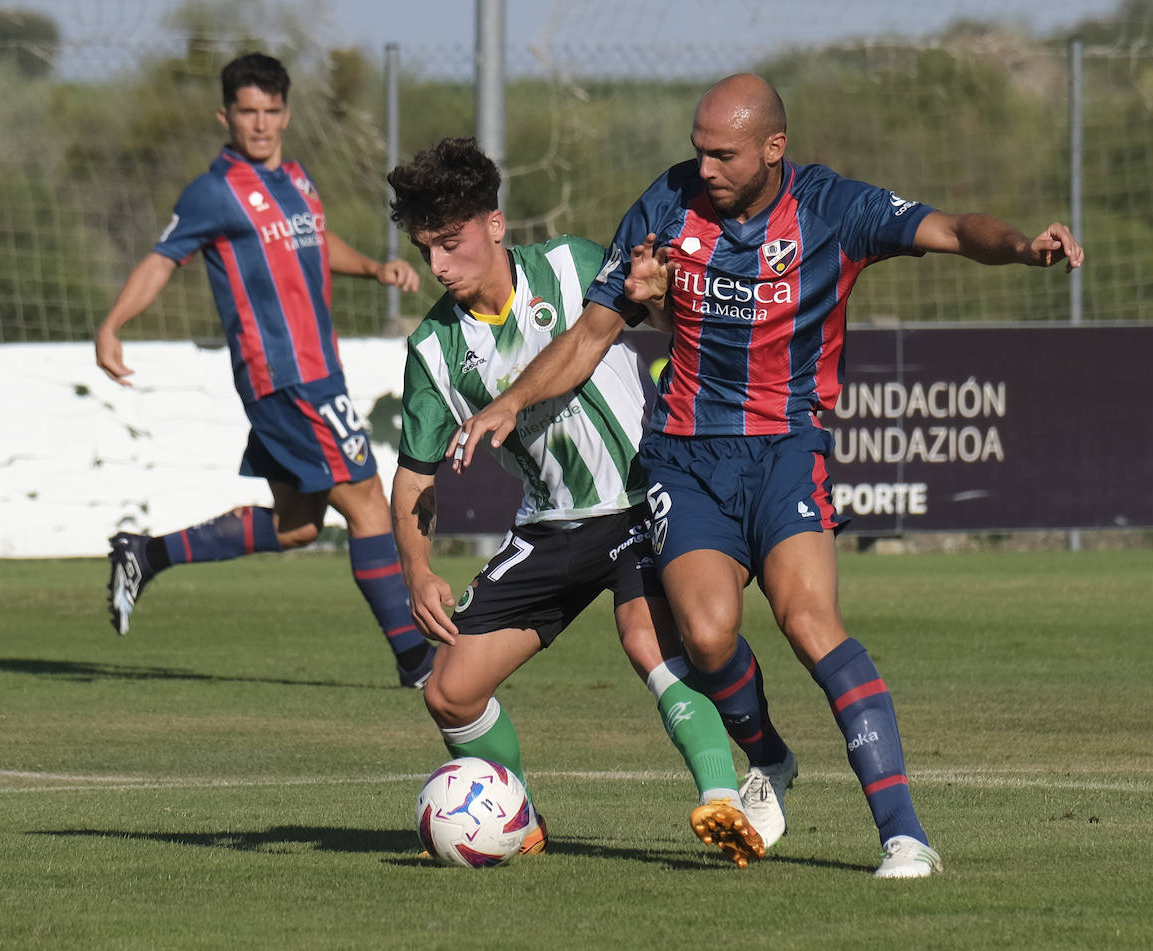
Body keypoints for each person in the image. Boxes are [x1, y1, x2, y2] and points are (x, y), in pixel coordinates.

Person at [451, 73, 1085, 878]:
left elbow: (956, 229)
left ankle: (904, 834)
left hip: (787, 446)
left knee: (810, 622)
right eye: (699, 150)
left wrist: (1023, 246)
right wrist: (511, 402)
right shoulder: (665, 205)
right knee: (708, 633)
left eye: (724, 154)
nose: (705, 168)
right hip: (685, 456)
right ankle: (773, 759)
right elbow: (591, 332)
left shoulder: (833, 208)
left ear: (773, 148)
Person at [387, 137, 791, 866]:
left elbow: (672, 324)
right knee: (449, 691)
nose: (439, 266)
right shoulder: (433, 351)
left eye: (450, 243)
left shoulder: (573, 267)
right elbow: (415, 479)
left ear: (495, 224)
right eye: (426, 250)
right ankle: (518, 820)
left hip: (644, 497)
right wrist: (417, 571)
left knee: (646, 639)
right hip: (551, 525)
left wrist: (661, 295)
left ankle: (723, 799)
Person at [94, 52, 436, 689]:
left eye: (271, 111)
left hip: (315, 370)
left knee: (298, 525)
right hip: (284, 374)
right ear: (225, 116)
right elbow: (162, 259)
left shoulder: (297, 179)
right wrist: (113, 324)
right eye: (247, 112)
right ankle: (418, 663)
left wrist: (373, 268)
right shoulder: (214, 192)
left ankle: (146, 554)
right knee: (367, 502)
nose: (260, 124)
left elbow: (313, 238)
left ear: (286, 114)